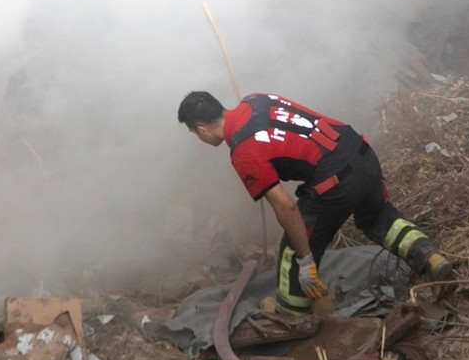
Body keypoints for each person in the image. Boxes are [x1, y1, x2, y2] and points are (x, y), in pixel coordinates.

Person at [177, 90, 453, 315]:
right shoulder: (255, 99)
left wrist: (306, 258)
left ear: (201, 130)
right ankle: (430, 257)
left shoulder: (243, 151)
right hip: (362, 155)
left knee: (290, 251)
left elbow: (284, 206)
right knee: (378, 217)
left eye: (194, 134)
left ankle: (289, 314)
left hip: (337, 183)